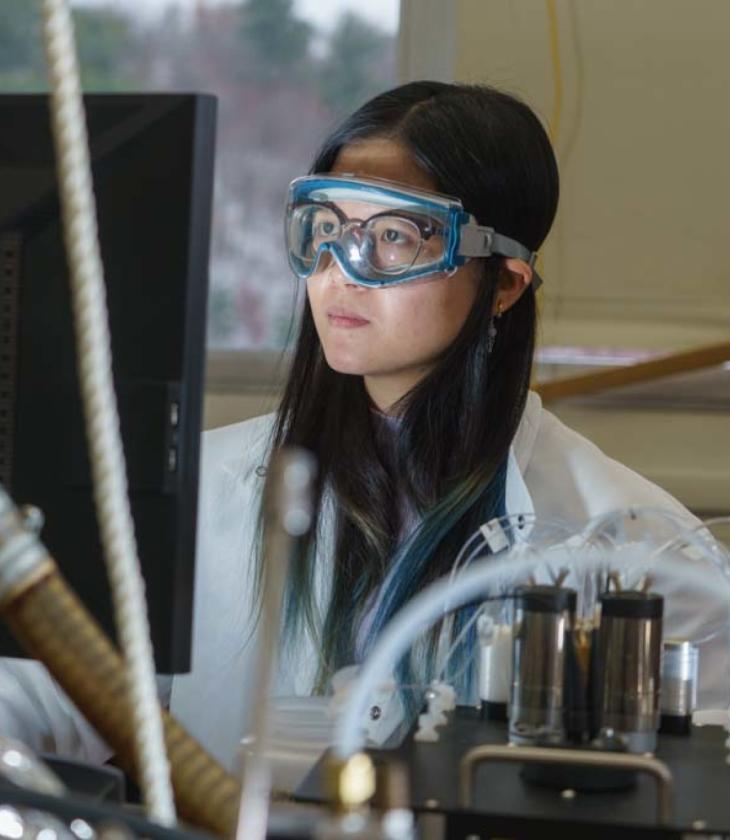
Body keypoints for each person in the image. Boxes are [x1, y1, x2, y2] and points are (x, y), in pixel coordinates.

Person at [0, 81, 726, 772]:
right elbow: (41, 696)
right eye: (326, 228)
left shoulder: (642, 552)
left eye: (396, 236)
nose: (340, 270)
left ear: (503, 283)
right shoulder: (191, 498)